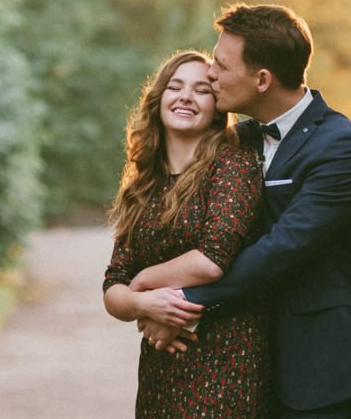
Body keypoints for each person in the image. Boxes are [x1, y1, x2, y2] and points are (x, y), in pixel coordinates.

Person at [137, 4, 351, 419]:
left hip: (312, 362)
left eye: (221, 66)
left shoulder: (342, 149)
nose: (211, 74)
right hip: (236, 360)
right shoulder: (236, 140)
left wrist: (182, 305)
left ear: (262, 79)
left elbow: (282, 249)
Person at [103, 50, 271, 418]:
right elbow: (113, 284)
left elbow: (213, 259)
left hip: (224, 358)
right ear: (158, 97)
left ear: (216, 107)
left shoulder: (232, 166)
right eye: (175, 86)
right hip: (160, 362)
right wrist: (143, 305)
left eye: (201, 90)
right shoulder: (143, 184)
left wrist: (143, 283)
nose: (185, 97)